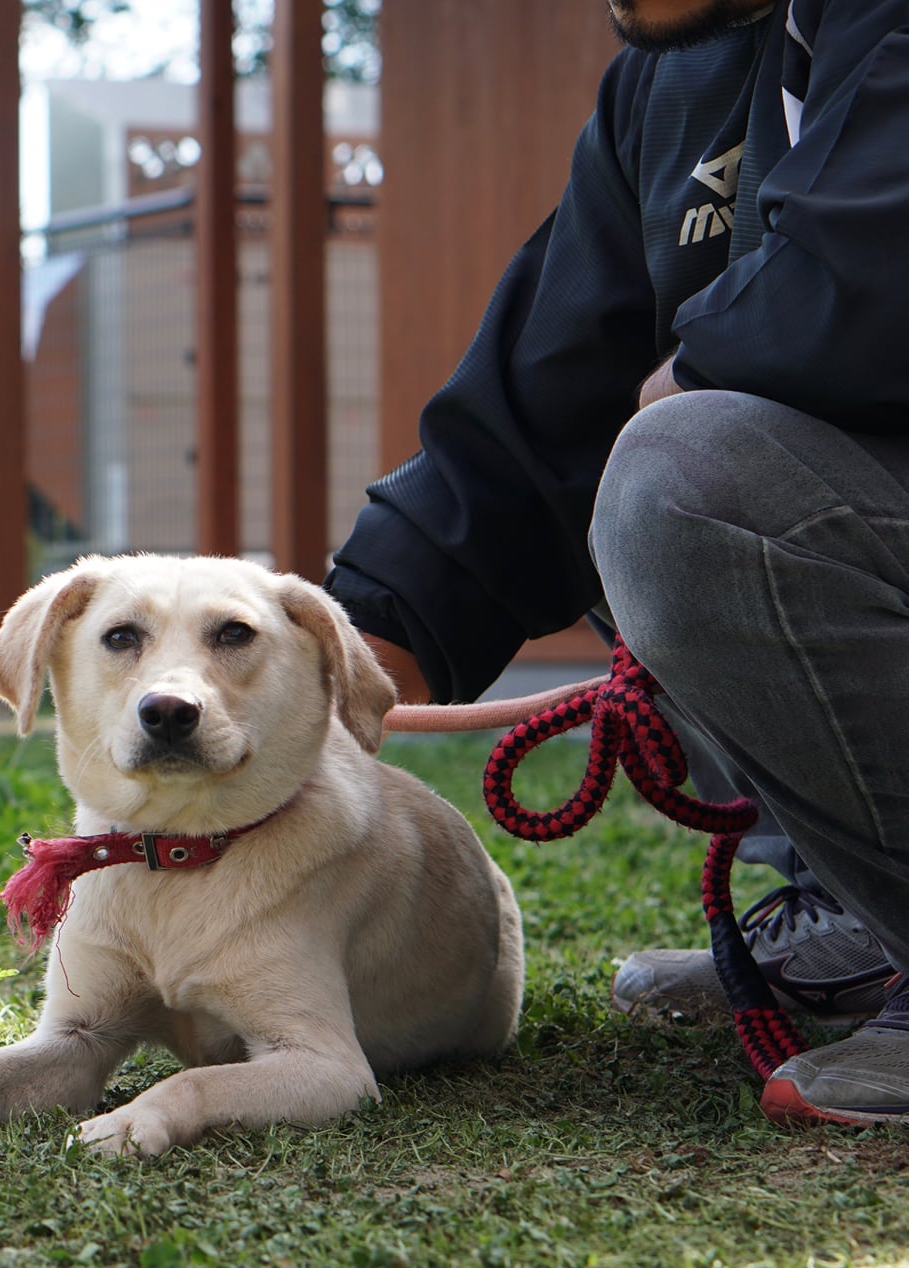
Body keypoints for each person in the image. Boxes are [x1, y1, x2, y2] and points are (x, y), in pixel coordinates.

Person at [323, 0, 909, 1125]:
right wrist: (326, 672)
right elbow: (539, 409)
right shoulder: (676, 79)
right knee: (620, 474)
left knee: (687, 477)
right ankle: (860, 907)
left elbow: (875, 274)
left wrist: (685, 379)